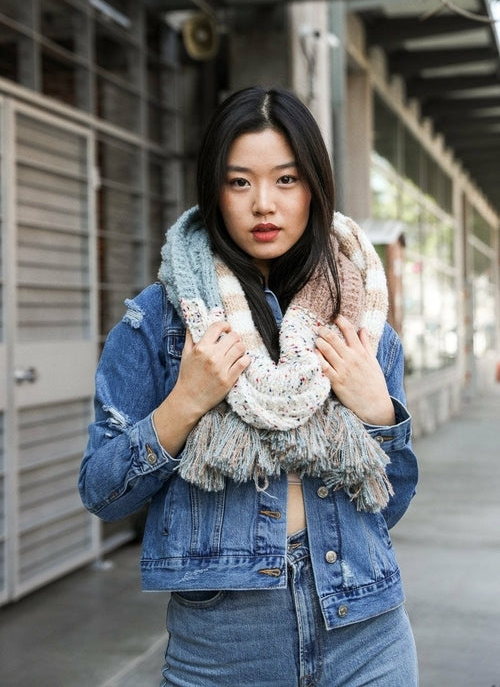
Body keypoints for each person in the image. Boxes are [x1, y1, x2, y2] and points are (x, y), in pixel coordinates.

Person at [79, 86, 418, 686]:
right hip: (224, 648)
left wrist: (377, 415)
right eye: (240, 182)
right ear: (214, 191)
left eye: (286, 180)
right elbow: (104, 493)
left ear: (315, 186)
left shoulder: (360, 321)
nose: (264, 204)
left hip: (365, 630)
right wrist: (184, 404)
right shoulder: (160, 323)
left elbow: (388, 505)